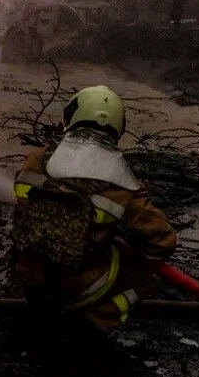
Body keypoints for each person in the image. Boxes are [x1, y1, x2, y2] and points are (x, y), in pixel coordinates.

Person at [10, 85, 177, 336]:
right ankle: (97, 319)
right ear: (118, 126)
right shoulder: (123, 185)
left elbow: (23, 202)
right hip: (79, 285)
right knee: (147, 277)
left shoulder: (37, 159)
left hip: (28, 270)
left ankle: (41, 309)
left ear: (71, 117)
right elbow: (163, 242)